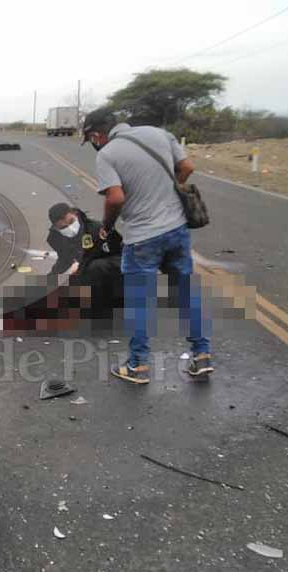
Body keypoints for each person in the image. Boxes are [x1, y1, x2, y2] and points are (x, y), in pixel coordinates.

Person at [81, 107, 212, 384]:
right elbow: (187, 167)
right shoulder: (158, 134)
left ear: (97, 134)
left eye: (91, 139)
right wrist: (165, 192)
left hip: (142, 237)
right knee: (185, 293)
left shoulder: (108, 154)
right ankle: (201, 356)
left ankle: (138, 365)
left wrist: (106, 226)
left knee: (140, 301)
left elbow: (115, 198)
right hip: (177, 229)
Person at [46, 202, 124, 316]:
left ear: (75, 214)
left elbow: (118, 249)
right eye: (63, 227)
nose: (69, 228)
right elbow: (64, 258)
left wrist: (80, 265)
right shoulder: (56, 238)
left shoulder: (96, 228)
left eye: (71, 222)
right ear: (56, 228)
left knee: (94, 268)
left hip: (112, 263)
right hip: (88, 268)